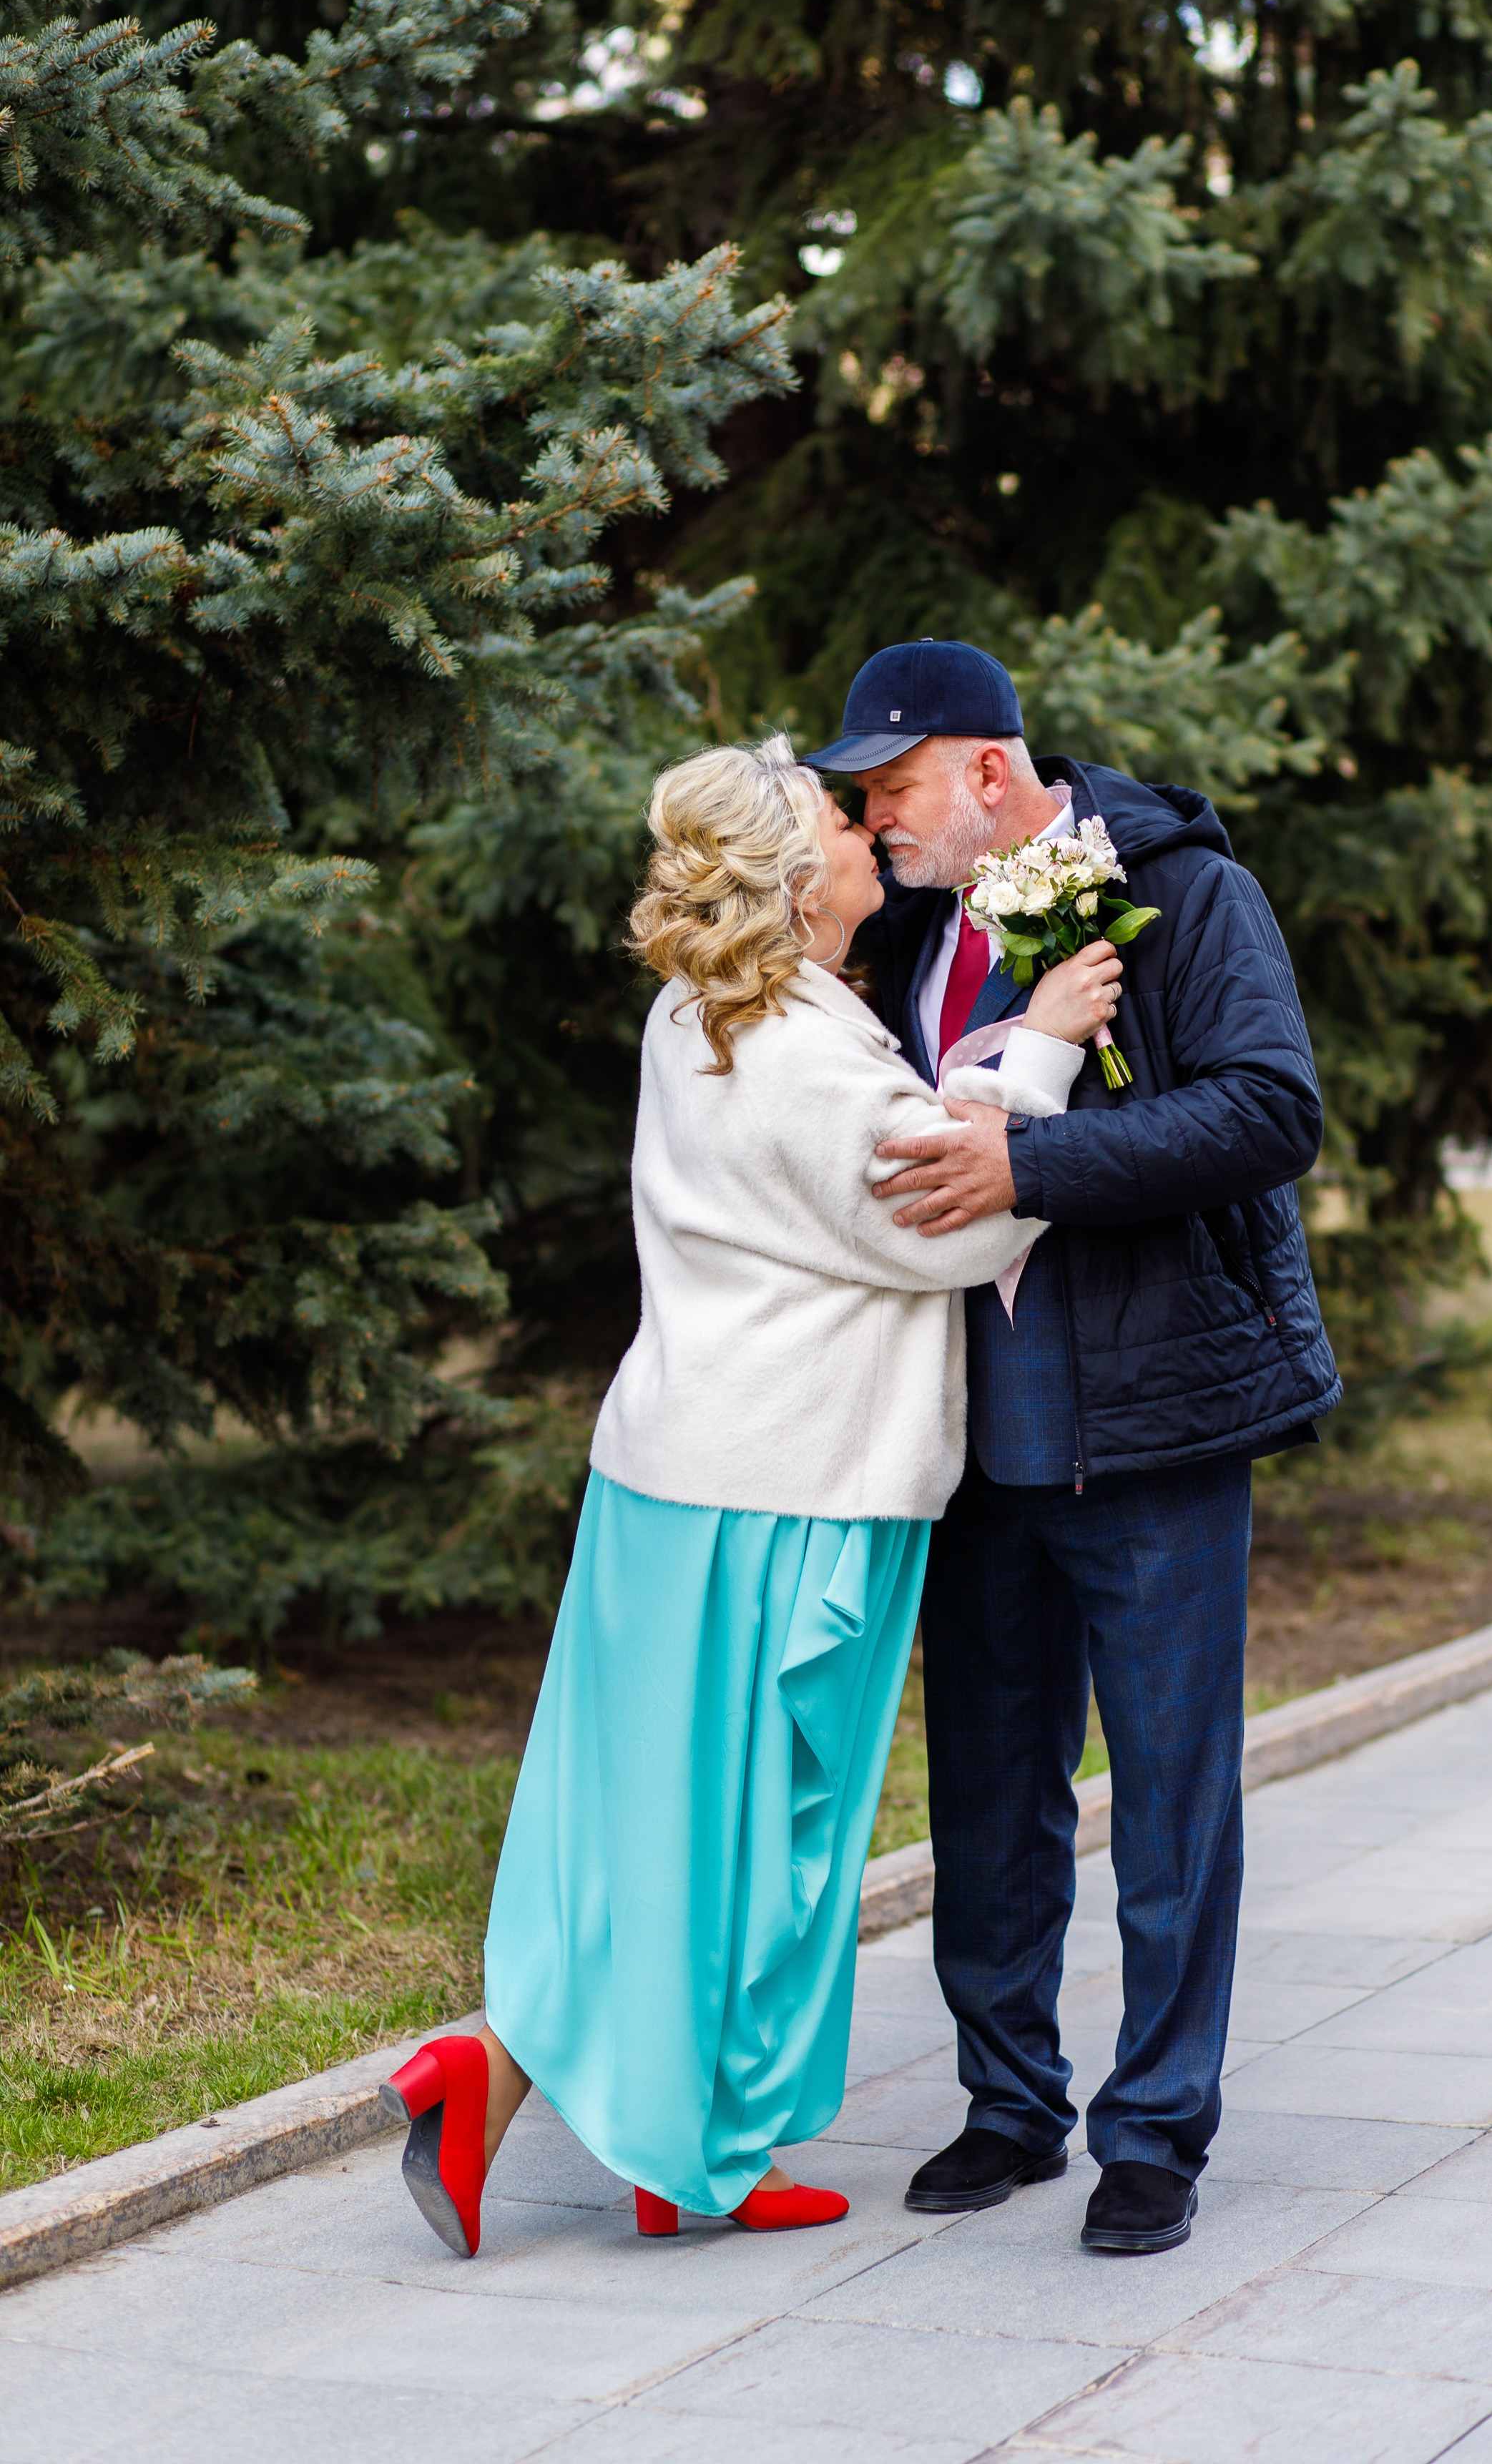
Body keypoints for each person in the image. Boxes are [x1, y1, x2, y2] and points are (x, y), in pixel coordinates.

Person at [377, 734, 1121, 2254]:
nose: (869, 840)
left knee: (638, 1822)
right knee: (772, 1832)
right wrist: (1040, 1044)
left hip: (672, 1480)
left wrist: (979, 1062)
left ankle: (580, 2107)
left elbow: (868, 1142)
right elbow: (951, 1214)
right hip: (795, 1495)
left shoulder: (704, 1015)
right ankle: (688, 2145)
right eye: (843, 830)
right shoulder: (797, 1049)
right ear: (796, 886)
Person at [805, 637, 1340, 2256]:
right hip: (964, 1438)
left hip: (1158, 1422)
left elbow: (1269, 1111)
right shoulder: (902, 924)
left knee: (1170, 1795)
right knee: (987, 1791)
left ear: (983, 771)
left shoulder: (1182, 894)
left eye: (890, 787)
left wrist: (1035, 1166)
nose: (874, 819)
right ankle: (1008, 2105)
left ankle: (1157, 2132)